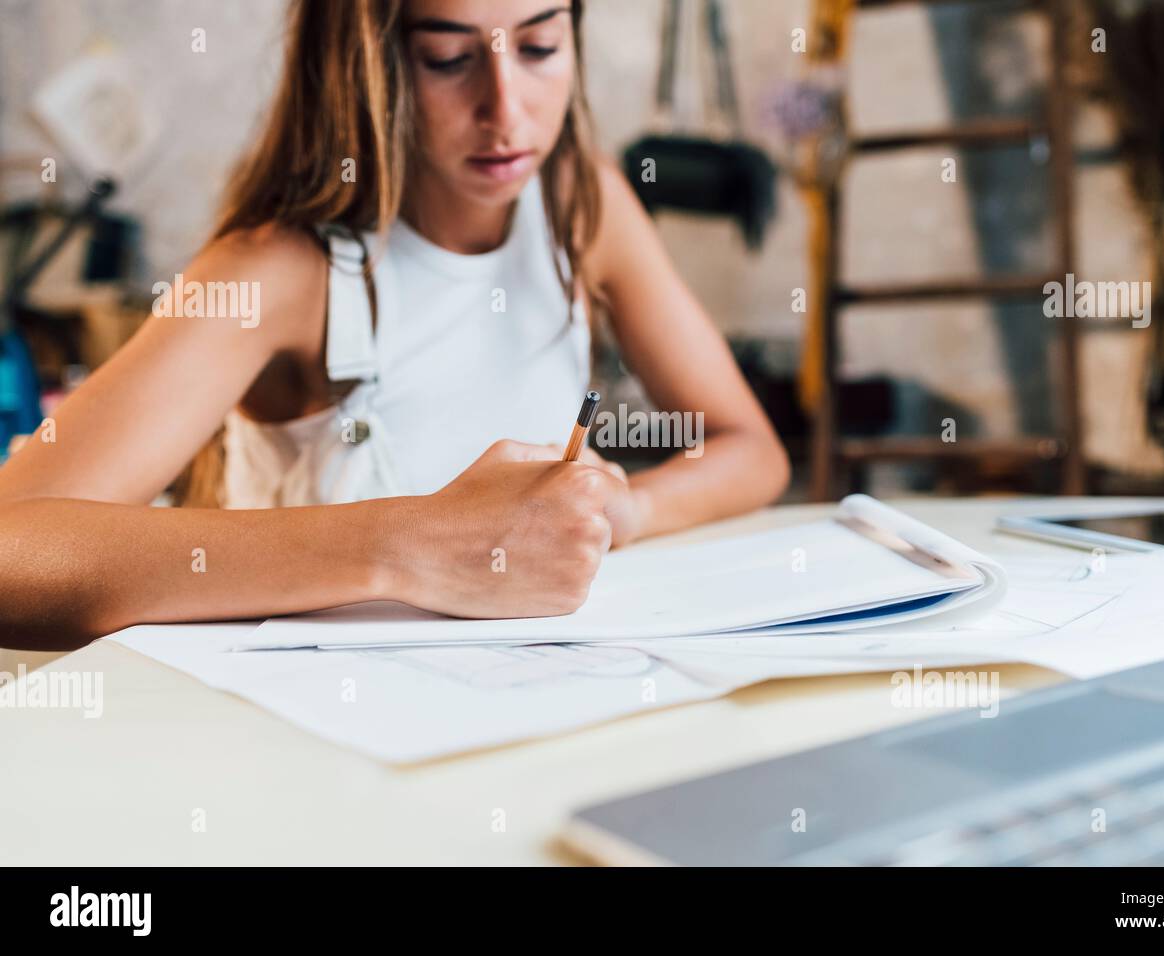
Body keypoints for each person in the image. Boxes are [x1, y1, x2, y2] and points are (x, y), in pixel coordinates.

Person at [0, 0, 789, 651]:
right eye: (448, 59)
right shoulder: (280, 269)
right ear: (366, 64)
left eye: (541, 45)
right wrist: (409, 548)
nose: (506, 110)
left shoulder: (583, 205)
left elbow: (748, 448)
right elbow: (12, 550)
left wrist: (631, 511)